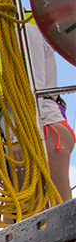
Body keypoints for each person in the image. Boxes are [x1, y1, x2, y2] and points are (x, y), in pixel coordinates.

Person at [24, 18, 74, 203]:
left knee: (60, 213)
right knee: (17, 217)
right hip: (37, 127)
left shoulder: (26, 32)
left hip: (45, 126)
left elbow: (34, 87)